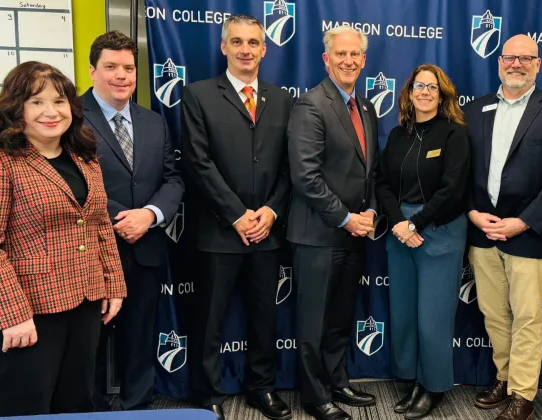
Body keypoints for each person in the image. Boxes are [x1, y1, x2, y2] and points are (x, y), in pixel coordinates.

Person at [0, 62, 127, 416]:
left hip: (85, 301)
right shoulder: (1, 161)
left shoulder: (84, 157)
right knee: (29, 405)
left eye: (59, 101)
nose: (51, 111)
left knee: (77, 401)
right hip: (30, 313)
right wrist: (12, 314)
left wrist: (113, 283)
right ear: (15, 107)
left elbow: (98, 225)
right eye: (36, 102)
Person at [181, 14, 292, 420]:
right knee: (210, 320)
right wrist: (236, 215)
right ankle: (208, 391)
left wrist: (270, 210)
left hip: (267, 230)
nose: (246, 49)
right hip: (219, 231)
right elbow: (197, 161)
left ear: (264, 49)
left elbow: (288, 166)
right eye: (238, 42)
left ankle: (261, 388)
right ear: (224, 47)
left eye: (254, 43)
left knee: (265, 317)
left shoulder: (281, 99)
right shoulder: (197, 94)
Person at [465, 34, 542, 420]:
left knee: (528, 316)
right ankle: (504, 375)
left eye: (525, 58)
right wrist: (471, 212)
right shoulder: (475, 109)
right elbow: (460, 173)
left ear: (538, 64)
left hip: (529, 233)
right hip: (482, 230)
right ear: (499, 62)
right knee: (494, 313)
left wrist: (523, 221)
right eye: (510, 58)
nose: (516, 64)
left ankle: (523, 393)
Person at [82, 30, 184, 411]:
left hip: (146, 247)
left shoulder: (154, 121)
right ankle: (90, 410)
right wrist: (118, 219)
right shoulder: (71, 118)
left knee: (140, 334)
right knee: (90, 340)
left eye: (128, 67)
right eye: (111, 67)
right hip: (92, 251)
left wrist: (150, 215)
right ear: (93, 71)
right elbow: (68, 182)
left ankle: (136, 406)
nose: (121, 75)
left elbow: (173, 178)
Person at [287, 25, 378, 420]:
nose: (348, 61)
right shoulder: (311, 105)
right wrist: (345, 218)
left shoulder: (367, 108)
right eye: (340, 54)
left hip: (355, 233)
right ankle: (314, 394)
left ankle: (337, 380)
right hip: (318, 235)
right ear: (326, 59)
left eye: (355, 54)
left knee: (341, 317)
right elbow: (305, 176)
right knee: (313, 321)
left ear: (363, 60)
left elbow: (369, 174)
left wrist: (371, 212)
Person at [375, 64, 470, 419]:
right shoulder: (399, 134)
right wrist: (400, 222)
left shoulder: (454, 134)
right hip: (400, 230)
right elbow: (381, 183)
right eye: (419, 86)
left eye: (433, 87)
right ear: (409, 92)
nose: (425, 92)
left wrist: (416, 223)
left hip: (439, 230)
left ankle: (434, 386)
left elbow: (453, 189)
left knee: (433, 317)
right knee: (403, 313)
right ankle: (413, 378)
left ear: (442, 94)